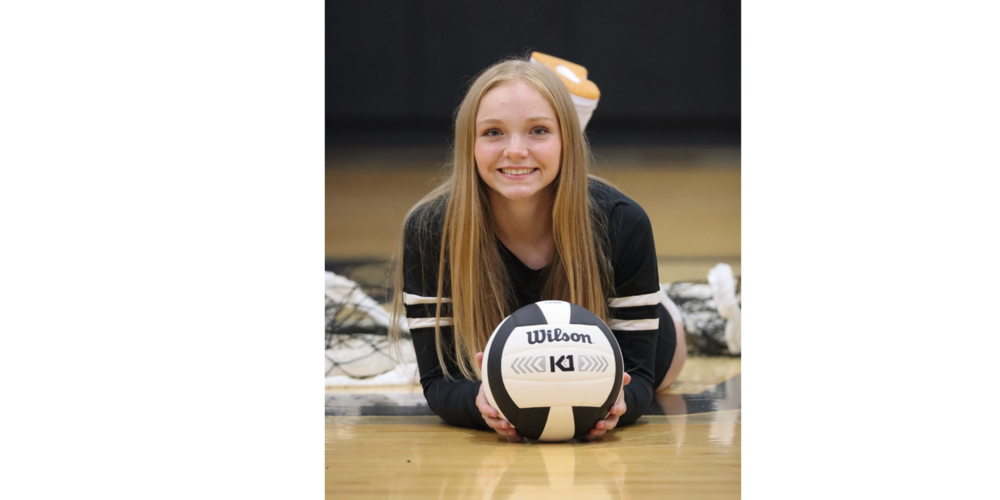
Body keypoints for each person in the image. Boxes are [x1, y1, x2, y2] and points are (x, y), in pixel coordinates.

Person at [390, 56, 686, 441]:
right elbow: (438, 382)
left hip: (650, 341)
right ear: (469, 143)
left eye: (538, 131)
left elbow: (641, 378)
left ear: (568, 141)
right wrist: (483, 402)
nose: (515, 150)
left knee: (670, 334)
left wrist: (620, 402)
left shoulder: (622, 221)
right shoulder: (430, 228)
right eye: (493, 132)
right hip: (520, 366)